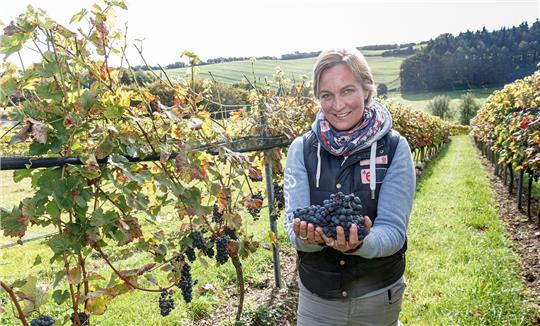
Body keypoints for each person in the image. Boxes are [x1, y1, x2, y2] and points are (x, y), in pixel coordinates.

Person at [283, 48, 416, 326]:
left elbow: (393, 230)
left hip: (378, 297)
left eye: (347, 91)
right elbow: (292, 227)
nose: (337, 104)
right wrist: (308, 240)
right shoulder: (302, 149)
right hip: (318, 300)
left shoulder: (394, 148)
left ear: (366, 90)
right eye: (326, 95)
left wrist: (361, 244)